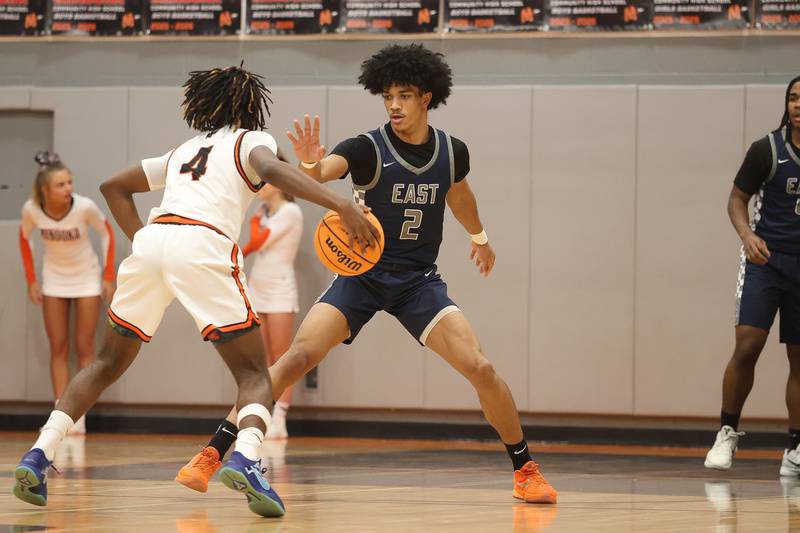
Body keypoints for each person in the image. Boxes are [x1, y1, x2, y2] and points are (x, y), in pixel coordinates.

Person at [176, 44, 558, 505]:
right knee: (296, 357)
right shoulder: (366, 147)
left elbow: (458, 194)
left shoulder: (452, 152)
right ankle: (213, 453)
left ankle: (525, 470)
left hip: (418, 282)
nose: (394, 104)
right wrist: (313, 163)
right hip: (361, 276)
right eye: (387, 96)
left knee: (482, 367)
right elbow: (319, 175)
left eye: (404, 95)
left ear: (426, 98)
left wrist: (479, 237)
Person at [12, 65, 379, 518]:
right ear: (250, 106)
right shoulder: (252, 140)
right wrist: (342, 202)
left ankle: (39, 452)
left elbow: (114, 186)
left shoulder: (185, 149)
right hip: (203, 243)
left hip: (154, 242)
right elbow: (272, 171)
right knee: (254, 375)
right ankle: (245, 455)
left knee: (106, 362)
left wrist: (144, 239)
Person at [705, 75, 800, 476]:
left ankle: (795, 449)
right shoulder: (767, 150)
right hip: (765, 262)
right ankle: (727, 431)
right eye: (793, 98)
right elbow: (736, 199)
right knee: (748, 345)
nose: (798, 104)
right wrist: (747, 236)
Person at [19, 151, 116, 435]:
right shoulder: (32, 210)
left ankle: (79, 415)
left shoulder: (84, 207)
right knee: (58, 348)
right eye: (61, 185)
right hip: (54, 281)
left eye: (70, 183)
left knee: (84, 347)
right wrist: (31, 280)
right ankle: (59, 414)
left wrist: (108, 276)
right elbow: (24, 239)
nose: (68, 189)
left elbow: (107, 231)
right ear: (45, 189)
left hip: (86, 278)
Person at [241, 183, 304, 439]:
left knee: (281, 357)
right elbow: (254, 246)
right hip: (258, 286)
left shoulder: (290, 211)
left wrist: (254, 220)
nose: (258, 186)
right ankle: (265, 413)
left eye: (265, 180)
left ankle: (280, 419)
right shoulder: (264, 211)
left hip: (280, 289)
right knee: (262, 357)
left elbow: (258, 241)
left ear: (279, 184)